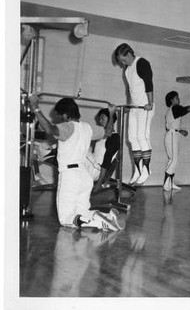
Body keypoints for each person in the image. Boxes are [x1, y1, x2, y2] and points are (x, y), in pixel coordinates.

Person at [28, 95, 125, 231]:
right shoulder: (87, 127)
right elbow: (108, 132)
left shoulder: (67, 127)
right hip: (85, 177)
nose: (60, 119)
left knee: (66, 219)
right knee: (82, 213)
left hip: (70, 176)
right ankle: (107, 217)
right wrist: (111, 113)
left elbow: (49, 129)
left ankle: (100, 222)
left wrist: (35, 107)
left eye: (61, 115)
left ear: (66, 114)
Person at [114, 43, 155, 186]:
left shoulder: (142, 63)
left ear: (130, 54)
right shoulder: (127, 69)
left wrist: (150, 103)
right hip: (134, 106)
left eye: (124, 60)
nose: (123, 63)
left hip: (145, 106)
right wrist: (129, 105)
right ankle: (138, 170)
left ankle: (147, 169)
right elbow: (130, 89)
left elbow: (149, 84)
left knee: (142, 136)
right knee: (132, 138)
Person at [163, 91, 190, 191]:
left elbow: (171, 125)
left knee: (172, 160)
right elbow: (187, 109)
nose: (179, 99)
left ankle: (170, 183)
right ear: (172, 100)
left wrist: (180, 131)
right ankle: (167, 183)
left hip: (173, 134)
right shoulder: (174, 108)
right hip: (171, 135)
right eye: (177, 97)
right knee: (173, 160)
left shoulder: (173, 110)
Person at [86, 108, 120, 193]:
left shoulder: (114, 137)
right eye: (99, 118)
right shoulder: (102, 135)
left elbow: (107, 161)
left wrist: (100, 182)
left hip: (97, 170)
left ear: (110, 119)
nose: (100, 121)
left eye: (102, 118)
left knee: (78, 149)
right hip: (93, 165)